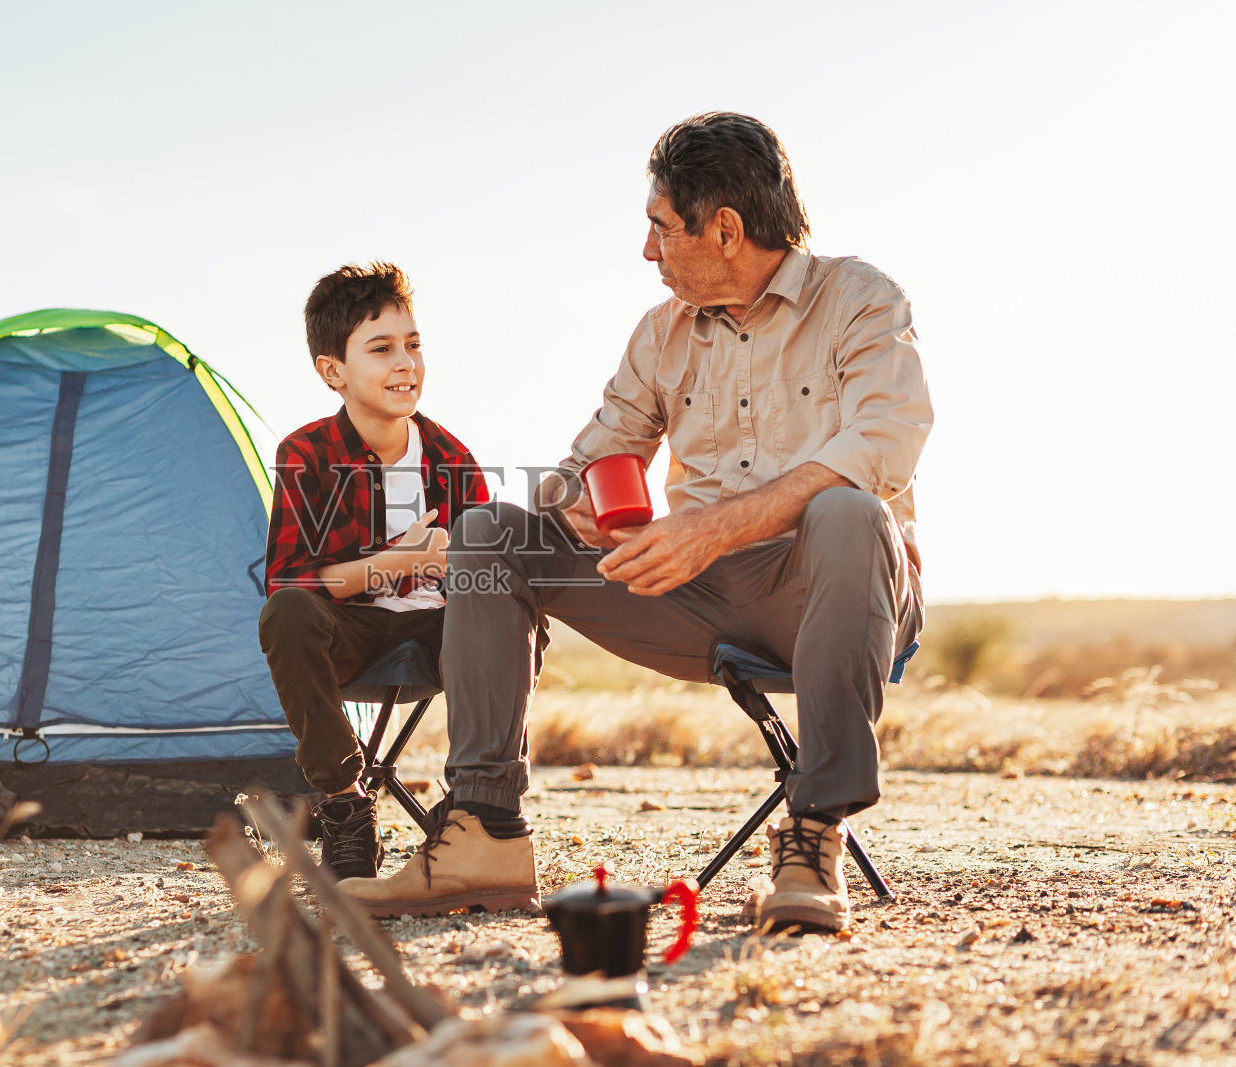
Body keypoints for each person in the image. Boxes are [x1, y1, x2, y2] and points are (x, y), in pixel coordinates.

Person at [340, 113, 932, 932]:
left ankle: (814, 833)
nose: (646, 251)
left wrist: (717, 527)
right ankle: (485, 832)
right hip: (692, 593)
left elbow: (882, 446)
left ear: (723, 229)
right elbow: (590, 455)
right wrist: (569, 499)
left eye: (659, 226)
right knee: (491, 533)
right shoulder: (661, 335)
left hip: (834, 589)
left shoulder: (861, 299)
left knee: (848, 509)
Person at [259, 261, 490, 880]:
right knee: (285, 613)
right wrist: (397, 563)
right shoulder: (305, 454)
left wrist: (464, 567)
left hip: (440, 632)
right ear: (332, 371)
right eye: (381, 348)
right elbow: (290, 580)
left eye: (413, 346)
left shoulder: (451, 457)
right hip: (351, 635)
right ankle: (343, 802)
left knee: (511, 610)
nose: (405, 364)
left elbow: (489, 574)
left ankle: (476, 802)